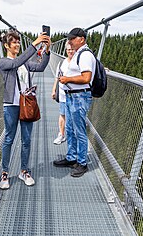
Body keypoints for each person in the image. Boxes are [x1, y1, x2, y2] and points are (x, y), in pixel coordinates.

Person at [0, 30, 51, 189]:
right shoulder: (4, 62)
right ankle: (5, 173)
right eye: (14, 42)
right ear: (6, 45)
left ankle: (24, 171)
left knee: (26, 140)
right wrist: (34, 44)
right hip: (11, 106)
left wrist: (47, 50)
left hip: (26, 105)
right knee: (9, 139)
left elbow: (41, 66)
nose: (17, 45)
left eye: (18, 42)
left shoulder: (25, 63)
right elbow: (16, 63)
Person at [53, 27, 95, 178]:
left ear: (81, 39)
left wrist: (67, 79)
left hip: (79, 97)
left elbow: (86, 78)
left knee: (79, 131)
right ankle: (71, 158)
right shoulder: (79, 54)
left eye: (72, 38)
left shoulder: (85, 55)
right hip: (72, 96)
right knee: (70, 129)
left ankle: (82, 163)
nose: (69, 41)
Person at [51, 42, 75, 145]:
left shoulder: (79, 62)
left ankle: (71, 137)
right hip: (62, 94)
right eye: (68, 49)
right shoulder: (62, 63)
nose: (70, 51)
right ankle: (61, 134)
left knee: (72, 117)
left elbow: (89, 70)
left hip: (74, 96)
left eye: (72, 49)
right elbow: (57, 77)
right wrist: (53, 90)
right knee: (62, 114)